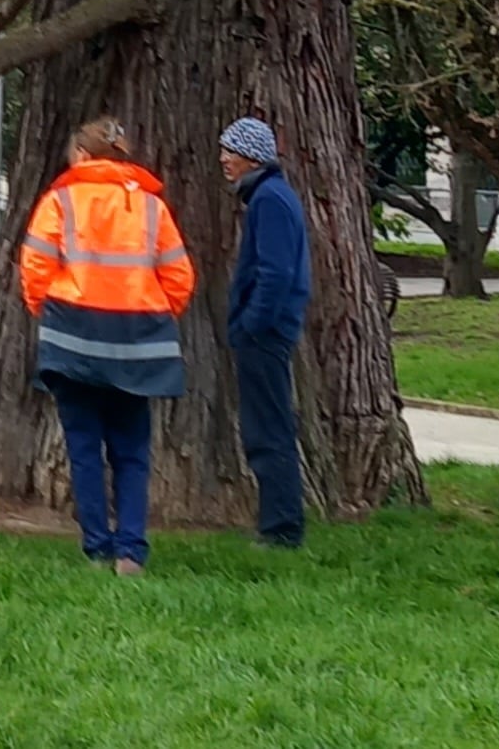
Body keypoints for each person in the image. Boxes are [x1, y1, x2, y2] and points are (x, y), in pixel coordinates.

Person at [19, 117, 196, 575]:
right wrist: (151, 314)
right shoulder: (152, 207)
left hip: (73, 339)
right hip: (137, 344)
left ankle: (97, 546)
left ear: (81, 155)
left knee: (83, 448)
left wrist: (52, 312)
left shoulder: (60, 201)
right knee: (132, 452)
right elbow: (179, 277)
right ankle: (131, 550)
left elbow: (35, 268)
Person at [220, 116, 312, 548]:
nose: (224, 159)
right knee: (268, 426)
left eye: (230, 150)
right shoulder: (271, 197)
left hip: (266, 334)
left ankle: (281, 528)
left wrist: (251, 324)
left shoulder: (270, 201)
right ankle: (279, 522)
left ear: (252, 157)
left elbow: (275, 273)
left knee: (268, 430)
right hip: (267, 331)